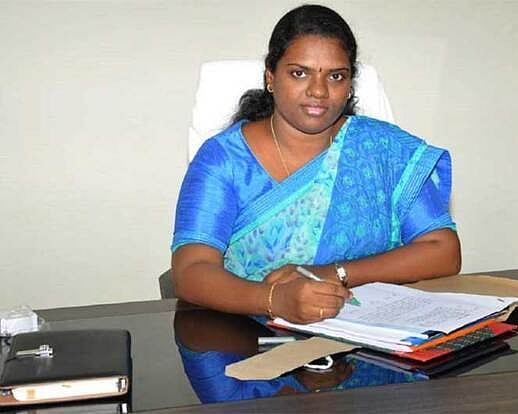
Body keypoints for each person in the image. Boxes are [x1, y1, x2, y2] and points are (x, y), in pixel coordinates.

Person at [171, 4, 461, 325]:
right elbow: (190, 270)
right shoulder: (224, 159)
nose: (319, 91)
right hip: (245, 334)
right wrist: (274, 299)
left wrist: (332, 274)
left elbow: (442, 249)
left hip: (370, 332)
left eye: (336, 76)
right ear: (270, 77)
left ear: (350, 85)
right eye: (300, 73)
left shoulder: (384, 150)